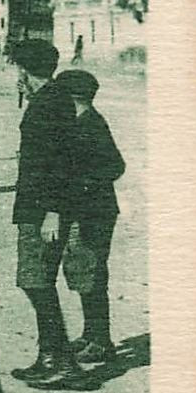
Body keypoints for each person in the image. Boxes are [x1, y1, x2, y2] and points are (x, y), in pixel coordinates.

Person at [8, 39, 89, 387]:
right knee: (35, 281)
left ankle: (63, 363)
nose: (16, 78)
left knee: (36, 282)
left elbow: (60, 163)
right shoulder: (51, 99)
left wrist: (53, 212)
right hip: (38, 206)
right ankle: (49, 356)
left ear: (26, 71)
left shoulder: (47, 105)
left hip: (43, 210)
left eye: (17, 70)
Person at [54, 69, 125, 366]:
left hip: (94, 213)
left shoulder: (90, 124)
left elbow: (115, 166)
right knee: (84, 272)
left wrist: (82, 184)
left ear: (71, 97)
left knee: (92, 274)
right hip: (88, 210)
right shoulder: (80, 122)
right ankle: (91, 333)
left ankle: (101, 341)